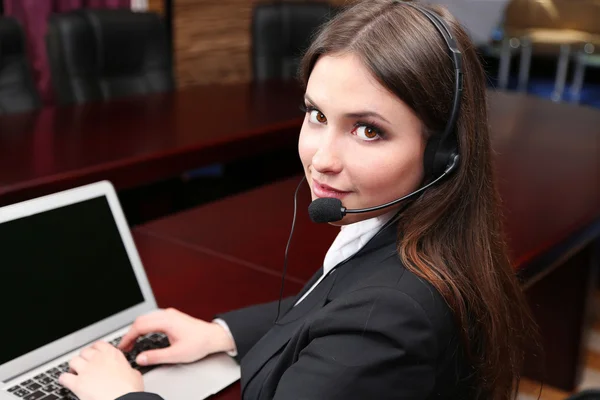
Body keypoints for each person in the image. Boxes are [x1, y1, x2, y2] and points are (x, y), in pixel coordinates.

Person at [58, 1, 536, 399]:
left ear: (442, 153)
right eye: (316, 115)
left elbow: (361, 322)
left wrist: (121, 395)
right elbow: (335, 307)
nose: (322, 159)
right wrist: (221, 335)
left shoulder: (391, 317)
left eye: (369, 130)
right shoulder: (415, 236)